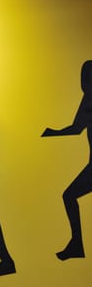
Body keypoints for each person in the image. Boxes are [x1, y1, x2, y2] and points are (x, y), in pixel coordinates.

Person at [42, 60, 92, 260]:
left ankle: (77, 244)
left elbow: (76, 128)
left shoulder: (89, 98)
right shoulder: (88, 98)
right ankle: (76, 245)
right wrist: (52, 133)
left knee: (69, 196)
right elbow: (78, 128)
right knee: (69, 196)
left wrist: (51, 133)